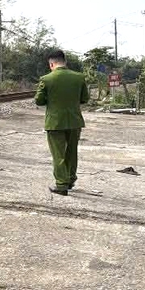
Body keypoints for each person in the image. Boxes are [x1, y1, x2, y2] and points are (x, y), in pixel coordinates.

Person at [35, 50, 89, 196]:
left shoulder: (46, 79)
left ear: (51, 64)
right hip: (74, 121)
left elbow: (39, 101)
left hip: (54, 122)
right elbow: (84, 99)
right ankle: (70, 179)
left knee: (58, 154)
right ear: (65, 62)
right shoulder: (79, 78)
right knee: (72, 152)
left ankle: (61, 184)